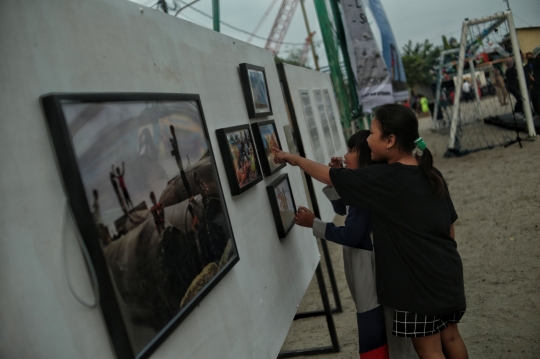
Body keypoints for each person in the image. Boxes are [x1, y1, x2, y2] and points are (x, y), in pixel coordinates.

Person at [273, 104, 468, 359]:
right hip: (447, 272)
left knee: (429, 349)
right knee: (451, 337)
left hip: (417, 285)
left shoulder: (385, 177)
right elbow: (449, 226)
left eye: (373, 134)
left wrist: (295, 159)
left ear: (390, 140)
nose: (368, 139)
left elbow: (330, 177)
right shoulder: (430, 172)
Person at [295, 130, 416, 359]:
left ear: (366, 157)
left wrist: (315, 224)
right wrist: (340, 179)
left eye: (351, 150)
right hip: (368, 264)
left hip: (369, 267)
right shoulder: (368, 184)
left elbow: (352, 234)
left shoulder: (366, 192)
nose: (345, 154)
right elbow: (344, 208)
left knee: (372, 321)